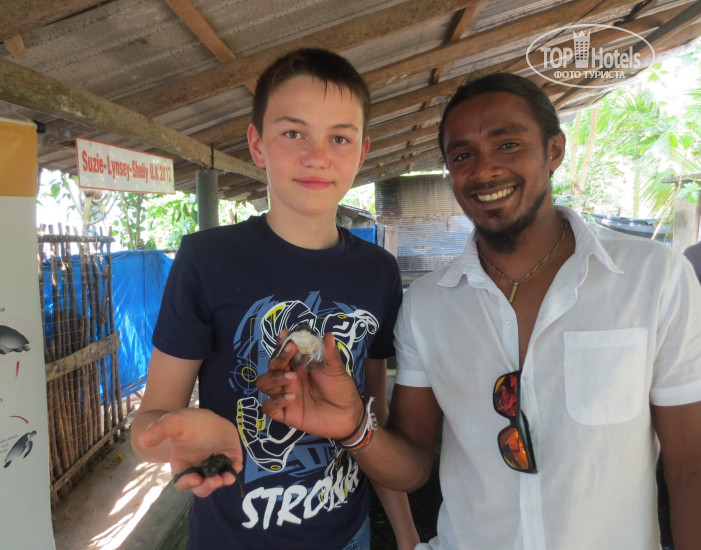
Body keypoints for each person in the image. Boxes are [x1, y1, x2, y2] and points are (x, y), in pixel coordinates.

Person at [257, 73, 701, 549]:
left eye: (508, 144)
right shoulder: (429, 305)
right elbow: (413, 466)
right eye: (463, 156)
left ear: (554, 150)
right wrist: (354, 428)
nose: (485, 170)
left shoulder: (652, 278)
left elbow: (689, 465)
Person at [130, 48, 419, 550]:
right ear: (257, 144)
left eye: (339, 138)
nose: (317, 156)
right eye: (292, 133)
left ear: (362, 152)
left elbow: (374, 419)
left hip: (348, 537)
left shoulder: (378, 271)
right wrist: (181, 434)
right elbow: (148, 424)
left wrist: (408, 535)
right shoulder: (206, 259)